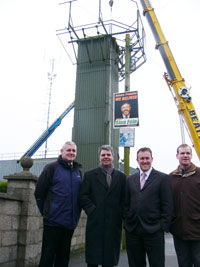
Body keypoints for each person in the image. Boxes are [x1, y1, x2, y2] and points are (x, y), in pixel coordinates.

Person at [34, 141, 82, 267]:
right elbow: (39, 193)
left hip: (70, 223)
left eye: (73, 151)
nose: (71, 153)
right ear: (61, 152)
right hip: (53, 222)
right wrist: (47, 213)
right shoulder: (51, 168)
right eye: (68, 150)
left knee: (63, 257)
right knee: (47, 257)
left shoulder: (78, 172)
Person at [124, 147, 173, 267]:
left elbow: (168, 205)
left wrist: (162, 226)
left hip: (154, 231)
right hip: (133, 230)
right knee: (135, 264)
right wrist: (127, 222)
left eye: (147, 158)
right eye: (142, 158)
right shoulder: (130, 179)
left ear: (152, 159)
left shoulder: (163, 178)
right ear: (137, 160)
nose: (145, 161)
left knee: (157, 263)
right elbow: (125, 203)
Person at [80, 145, 126, 267]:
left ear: (113, 157)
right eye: (103, 155)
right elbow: (83, 196)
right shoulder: (90, 175)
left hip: (114, 223)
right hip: (95, 223)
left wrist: (119, 214)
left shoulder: (121, 177)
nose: (106, 157)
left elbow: (125, 199)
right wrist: (92, 211)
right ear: (99, 157)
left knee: (109, 261)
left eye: (108, 155)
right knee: (93, 260)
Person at [170, 144, 200, 267]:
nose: (185, 156)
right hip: (179, 231)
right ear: (177, 156)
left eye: (188, 153)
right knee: (183, 263)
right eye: (182, 153)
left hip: (198, 230)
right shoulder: (171, 177)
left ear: (191, 156)